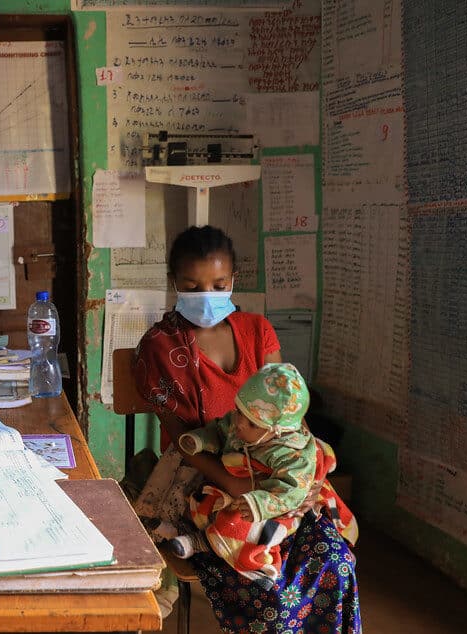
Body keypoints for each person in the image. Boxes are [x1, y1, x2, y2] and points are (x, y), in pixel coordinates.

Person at [132, 225, 361, 632]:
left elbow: (288, 413)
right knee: (264, 576)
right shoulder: (159, 346)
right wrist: (233, 484)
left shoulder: (257, 330)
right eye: (193, 285)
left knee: (332, 557)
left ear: (233, 280)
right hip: (204, 475)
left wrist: (304, 472)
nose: (208, 294)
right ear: (175, 284)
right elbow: (183, 442)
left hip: (276, 467)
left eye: (219, 284)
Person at [168, 363, 358, 592]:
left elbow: (291, 491)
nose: (238, 423)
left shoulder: (294, 455)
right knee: (206, 503)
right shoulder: (244, 421)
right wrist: (199, 440)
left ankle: (203, 543)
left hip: (279, 502)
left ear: (277, 431)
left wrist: (258, 503)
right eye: (239, 411)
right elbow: (220, 429)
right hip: (240, 487)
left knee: (244, 526)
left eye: (250, 423)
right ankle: (203, 538)